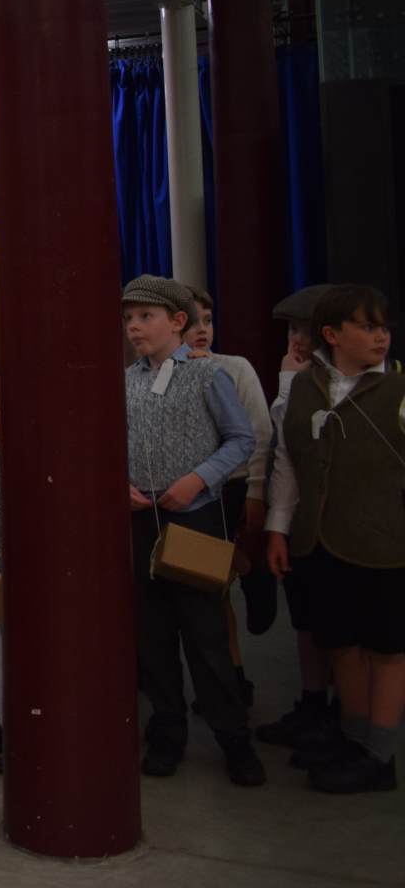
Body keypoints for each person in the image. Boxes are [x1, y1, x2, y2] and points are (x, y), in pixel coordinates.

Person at [120, 275, 264, 786]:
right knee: (153, 633)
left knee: (206, 634)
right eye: (129, 319)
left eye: (146, 317)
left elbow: (240, 438)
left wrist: (198, 479)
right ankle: (167, 728)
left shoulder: (207, 375)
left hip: (195, 516)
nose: (134, 327)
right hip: (142, 519)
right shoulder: (127, 380)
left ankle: (233, 736)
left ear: (178, 321)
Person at [265, 284, 404, 793]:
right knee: (341, 644)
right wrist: (278, 528)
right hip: (322, 540)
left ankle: (380, 753)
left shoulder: (397, 389)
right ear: (332, 334)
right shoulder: (304, 387)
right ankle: (352, 736)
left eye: (383, 327)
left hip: (385, 545)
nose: (380, 336)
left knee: (386, 648)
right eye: (366, 327)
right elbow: (288, 463)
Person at [183, 284, 276, 705]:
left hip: (233, 488)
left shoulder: (234, 368)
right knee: (204, 594)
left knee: (215, 591)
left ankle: (232, 681)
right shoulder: (162, 373)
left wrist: (256, 491)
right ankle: (220, 682)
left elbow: (258, 431)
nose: (202, 329)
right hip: (188, 493)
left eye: (208, 320)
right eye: (192, 322)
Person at [258, 284, 340, 752]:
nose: (297, 340)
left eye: (306, 330)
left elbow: (309, 443)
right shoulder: (295, 379)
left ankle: (342, 718)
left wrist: (291, 386)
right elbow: (283, 455)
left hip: (344, 526)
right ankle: (312, 703)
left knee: (341, 627)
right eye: (292, 330)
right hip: (300, 522)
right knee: (305, 618)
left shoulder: (356, 384)